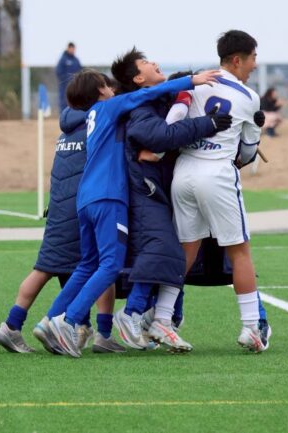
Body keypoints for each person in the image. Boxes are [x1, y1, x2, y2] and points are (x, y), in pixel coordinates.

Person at [41, 67, 221, 358]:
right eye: (108, 85)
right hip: (108, 197)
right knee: (111, 265)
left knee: (88, 264)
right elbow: (147, 93)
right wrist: (190, 81)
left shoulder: (92, 116)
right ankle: (68, 321)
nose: (113, 89)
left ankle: (50, 319)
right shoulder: (110, 107)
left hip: (86, 198)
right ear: (101, 91)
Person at [110, 50, 232, 352]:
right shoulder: (140, 106)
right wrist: (207, 124)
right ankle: (131, 313)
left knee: (174, 255)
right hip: (145, 190)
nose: (154, 63)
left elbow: (167, 139)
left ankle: (163, 318)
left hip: (161, 189)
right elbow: (159, 136)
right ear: (139, 79)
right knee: (163, 249)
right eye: (145, 63)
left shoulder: (159, 102)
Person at [0, 76, 125, 355]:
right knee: (100, 265)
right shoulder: (98, 123)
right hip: (85, 204)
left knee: (49, 267)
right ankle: (99, 333)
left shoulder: (66, 128)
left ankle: (18, 324)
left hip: (58, 207)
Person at [171, 30, 270, 352]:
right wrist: (251, 137)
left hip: (183, 172)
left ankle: (160, 318)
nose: (255, 65)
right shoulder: (248, 96)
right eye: (253, 58)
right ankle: (252, 327)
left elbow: (175, 122)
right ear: (237, 59)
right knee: (239, 251)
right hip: (217, 174)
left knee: (186, 251)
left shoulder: (195, 82)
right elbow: (247, 152)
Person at [56, 42, 82, 113]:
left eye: (74, 49)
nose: (73, 50)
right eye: (71, 49)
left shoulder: (76, 60)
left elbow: (80, 71)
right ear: (68, 48)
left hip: (75, 87)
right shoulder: (63, 59)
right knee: (64, 103)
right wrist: (67, 79)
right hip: (65, 87)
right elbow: (59, 72)